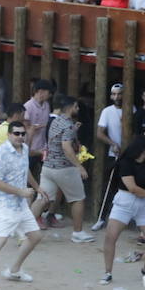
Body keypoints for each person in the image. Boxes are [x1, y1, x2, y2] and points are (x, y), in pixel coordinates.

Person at [0, 117, 44, 290]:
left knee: (35, 236)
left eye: (23, 133)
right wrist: (22, 192)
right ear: (9, 134)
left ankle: (14, 270)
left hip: (19, 203)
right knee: (0, 239)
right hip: (2, 202)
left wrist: (37, 188)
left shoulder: (24, 149)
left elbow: (25, 170)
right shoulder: (1, 153)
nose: (20, 137)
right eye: (16, 134)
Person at [100, 134, 145, 283]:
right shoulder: (126, 162)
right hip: (125, 201)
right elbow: (132, 188)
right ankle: (107, 272)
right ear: (142, 148)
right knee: (110, 237)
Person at [39, 94, 93, 243]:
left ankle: (25, 229)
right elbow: (66, 147)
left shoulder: (56, 121)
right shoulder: (68, 125)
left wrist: (74, 130)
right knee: (78, 199)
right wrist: (79, 166)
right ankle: (78, 233)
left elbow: (60, 138)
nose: (77, 109)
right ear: (70, 108)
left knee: (43, 199)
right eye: (76, 106)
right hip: (64, 168)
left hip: (48, 166)